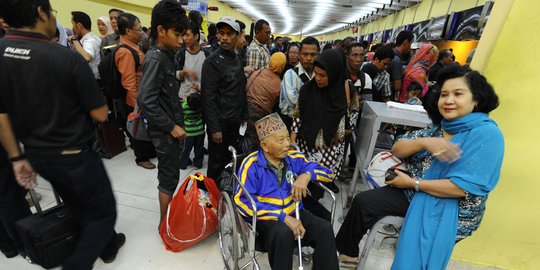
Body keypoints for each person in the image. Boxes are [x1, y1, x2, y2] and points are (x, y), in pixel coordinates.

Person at [336, 65, 504, 269]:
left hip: (452, 208)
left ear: (476, 99)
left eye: (458, 94)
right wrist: (425, 143)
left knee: (416, 247)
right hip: (416, 191)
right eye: (444, 94)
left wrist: (413, 182)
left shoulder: (487, 134)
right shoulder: (440, 127)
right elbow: (397, 148)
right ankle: (348, 252)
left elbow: (461, 189)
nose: (448, 100)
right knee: (362, 202)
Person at [0, 1, 125, 269]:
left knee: (76, 201)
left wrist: (15, 157)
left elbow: (2, 116)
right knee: (103, 212)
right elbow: (101, 114)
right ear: (40, 12)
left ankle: (107, 245)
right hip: (73, 155)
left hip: (35, 155)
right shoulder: (63, 57)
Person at [235, 113, 339, 270]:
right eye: (280, 140)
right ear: (264, 146)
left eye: (287, 137)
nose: (287, 144)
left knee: (325, 229)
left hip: (294, 211)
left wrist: (306, 175)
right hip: (265, 219)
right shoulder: (251, 165)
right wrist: (282, 217)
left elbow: (329, 173)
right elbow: (242, 202)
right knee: (283, 234)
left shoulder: (292, 157)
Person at [137, 0, 189, 228]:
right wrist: (171, 126)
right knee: (168, 178)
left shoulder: (166, 54)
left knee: (171, 176)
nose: (181, 40)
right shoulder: (156, 58)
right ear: (160, 30)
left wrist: (178, 77)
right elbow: (145, 99)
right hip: (165, 133)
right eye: (177, 34)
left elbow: (162, 88)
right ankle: (164, 225)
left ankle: (167, 220)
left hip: (171, 128)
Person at [292, 48, 360, 201]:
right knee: (301, 184)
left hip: (331, 150)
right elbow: (297, 115)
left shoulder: (348, 90)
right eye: (316, 73)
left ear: (335, 74)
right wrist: (292, 141)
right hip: (306, 147)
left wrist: (344, 131)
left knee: (318, 187)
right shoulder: (307, 90)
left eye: (323, 75)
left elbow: (355, 112)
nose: (317, 78)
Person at [201, 16, 247, 182]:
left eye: (230, 34)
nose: (225, 38)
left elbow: (241, 90)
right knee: (216, 163)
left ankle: (225, 192)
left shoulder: (237, 58)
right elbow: (208, 98)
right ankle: (211, 198)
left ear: (237, 35)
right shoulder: (212, 62)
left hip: (234, 121)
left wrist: (244, 116)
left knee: (230, 160)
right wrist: (214, 128)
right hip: (220, 123)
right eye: (222, 33)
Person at [116, 12, 156, 169]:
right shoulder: (125, 52)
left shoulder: (134, 47)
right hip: (135, 99)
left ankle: (147, 152)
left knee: (145, 127)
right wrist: (137, 106)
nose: (142, 33)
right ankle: (141, 158)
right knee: (137, 127)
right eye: (139, 29)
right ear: (128, 31)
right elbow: (129, 83)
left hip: (142, 96)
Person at [246, 52, 287, 148]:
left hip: (244, 111)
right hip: (260, 117)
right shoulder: (279, 83)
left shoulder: (257, 72)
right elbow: (278, 106)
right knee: (257, 144)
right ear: (282, 66)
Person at [279, 36, 319, 131]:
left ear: (318, 55)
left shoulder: (319, 75)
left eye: (313, 55)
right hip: (289, 121)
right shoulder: (289, 75)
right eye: (305, 54)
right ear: (299, 55)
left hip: (311, 122)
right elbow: (293, 100)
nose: (309, 58)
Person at [176, 21, 210, 99]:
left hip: (200, 97)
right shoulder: (181, 53)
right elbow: (175, 75)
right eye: (183, 35)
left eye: (187, 35)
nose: (184, 38)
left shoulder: (206, 54)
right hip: (183, 97)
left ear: (196, 36)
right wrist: (184, 71)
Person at [69, 11, 101, 80]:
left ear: (79, 25)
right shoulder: (95, 38)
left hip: (91, 81)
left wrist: (74, 40)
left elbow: (87, 57)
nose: (72, 28)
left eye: (73, 24)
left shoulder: (89, 41)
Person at [179, 92, 204, 170]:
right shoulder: (201, 106)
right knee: (199, 148)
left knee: (186, 149)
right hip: (200, 131)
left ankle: (182, 164)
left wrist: (186, 98)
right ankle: (198, 164)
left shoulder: (184, 106)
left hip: (189, 133)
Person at [388, 30, 414, 101]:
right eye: (410, 43)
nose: (410, 47)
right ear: (405, 42)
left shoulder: (391, 54)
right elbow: (397, 87)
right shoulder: (396, 59)